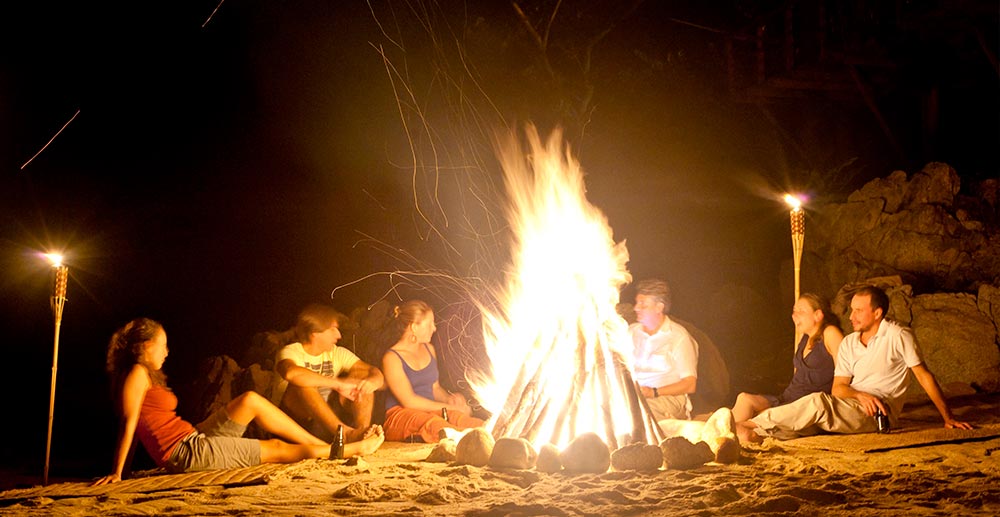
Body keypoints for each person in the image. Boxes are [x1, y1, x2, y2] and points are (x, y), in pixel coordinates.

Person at [94, 318, 383, 486]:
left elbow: (139, 422)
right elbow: (129, 423)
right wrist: (118, 473)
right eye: (163, 344)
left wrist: (127, 471)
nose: (167, 352)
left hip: (193, 437)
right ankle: (348, 450)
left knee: (250, 400)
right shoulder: (136, 373)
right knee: (276, 448)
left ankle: (328, 446)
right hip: (185, 454)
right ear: (144, 347)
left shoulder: (144, 374)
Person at [736, 285, 973, 443]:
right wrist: (859, 395)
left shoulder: (898, 335)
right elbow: (838, 388)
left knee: (817, 403)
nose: (851, 317)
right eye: (852, 310)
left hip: (879, 411)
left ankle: (742, 424)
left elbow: (923, 376)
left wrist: (947, 417)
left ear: (878, 313)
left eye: (859, 311)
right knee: (804, 424)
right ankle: (751, 434)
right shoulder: (850, 342)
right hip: (851, 405)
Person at [276, 303, 385, 444]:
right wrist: (339, 384)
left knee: (361, 378)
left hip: (326, 422)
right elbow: (291, 374)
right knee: (302, 385)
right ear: (315, 332)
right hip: (295, 422)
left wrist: (372, 381)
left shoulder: (336, 352)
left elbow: (372, 371)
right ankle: (345, 434)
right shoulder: (291, 351)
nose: (339, 335)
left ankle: (361, 432)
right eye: (333, 329)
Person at [381, 300, 485, 443]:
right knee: (437, 426)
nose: (434, 328)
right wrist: (448, 407)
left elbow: (435, 388)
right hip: (399, 416)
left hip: (431, 412)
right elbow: (409, 401)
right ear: (414, 327)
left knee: (470, 422)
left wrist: (451, 401)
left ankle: (489, 438)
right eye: (430, 324)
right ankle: (471, 442)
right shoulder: (392, 358)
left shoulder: (429, 349)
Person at [731, 293, 844, 423]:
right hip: (789, 397)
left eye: (801, 311)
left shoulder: (830, 333)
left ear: (818, 315)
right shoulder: (805, 338)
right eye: (794, 311)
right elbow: (797, 378)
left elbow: (844, 372)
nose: (795, 315)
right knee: (744, 398)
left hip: (806, 405)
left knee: (754, 419)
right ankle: (721, 429)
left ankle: (726, 432)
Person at [629, 278, 699, 421]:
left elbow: (690, 384)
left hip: (666, 399)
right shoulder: (631, 332)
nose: (636, 308)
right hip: (633, 396)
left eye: (643, 304)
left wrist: (653, 392)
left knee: (635, 412)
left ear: (659, 307)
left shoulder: (679, 337)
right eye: (637, 303)